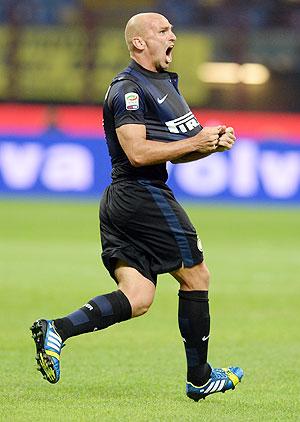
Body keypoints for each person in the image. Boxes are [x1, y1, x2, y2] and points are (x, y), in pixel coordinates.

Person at [30, 12, 244, 401]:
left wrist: (208, 145)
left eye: (173, 30)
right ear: (139, 43)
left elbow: (177, 151)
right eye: (163, 31)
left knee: (138, 297)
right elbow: (137, 152)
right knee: (197, 276)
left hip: (124, 201)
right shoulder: (128, 88)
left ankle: (56, 329)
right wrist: (197, 143)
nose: (173, 36)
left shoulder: (164, 85)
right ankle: (199, 377)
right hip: (140, 194)